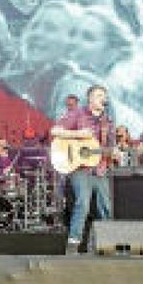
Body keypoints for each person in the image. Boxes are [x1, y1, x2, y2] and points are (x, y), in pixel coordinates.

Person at [50, 85, 115, 249]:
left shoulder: (108, 121)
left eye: (104, 96)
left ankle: (104, 243)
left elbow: (109, 147)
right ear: (90, 99)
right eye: (99, 95)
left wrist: (115, 153)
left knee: (105, 207)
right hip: (79, 168)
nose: (103, 99)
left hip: (100, 168)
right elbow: (55, 130)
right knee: (82, 204)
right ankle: (73, 242)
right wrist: (78, 134)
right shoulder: (77, 114)